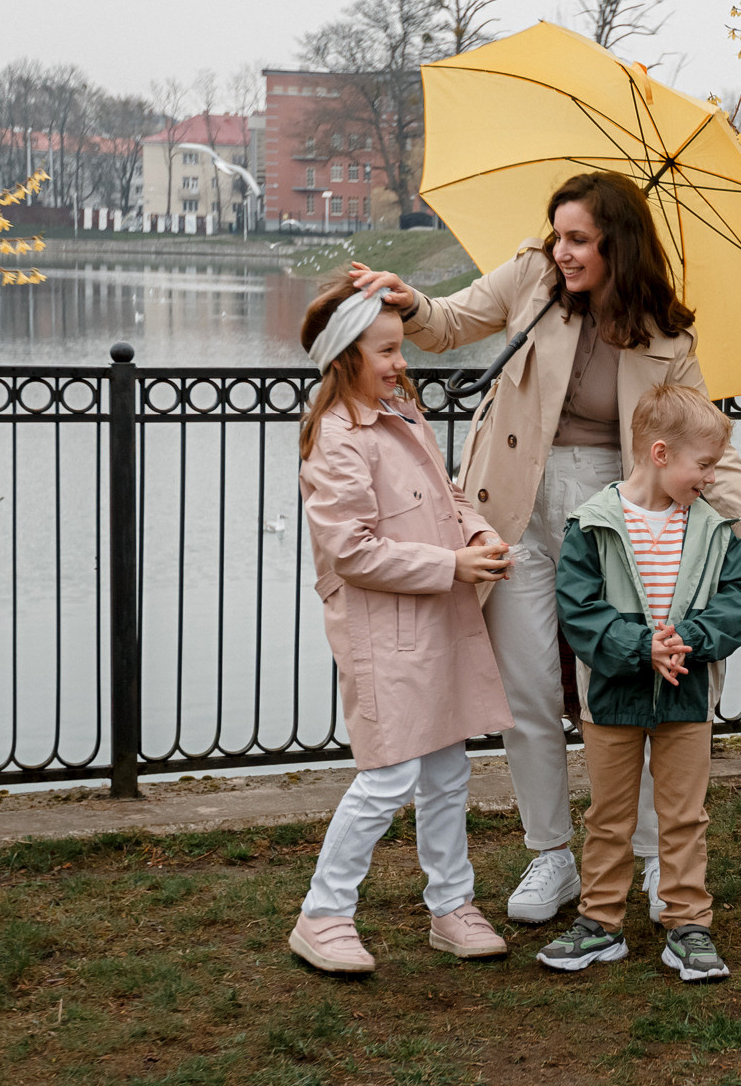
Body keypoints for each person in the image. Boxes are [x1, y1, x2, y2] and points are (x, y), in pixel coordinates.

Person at [349, 171, 741, 927]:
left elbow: (712, 455)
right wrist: (409, 303)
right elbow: (450, 321)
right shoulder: (533, 277)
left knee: (633, 686)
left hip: (619, 519)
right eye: (557, 234)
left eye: (578, 240)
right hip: (517, 509)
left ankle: (658, 859)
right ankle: (551, 854)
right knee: (527, 688)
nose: (560, 250)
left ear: (616, 246)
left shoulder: (667, 337)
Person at [286, 275, 517, 974]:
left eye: (401, 349)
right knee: (387, 777)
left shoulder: (402, 415)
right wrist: (450, 564)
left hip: (434, 620)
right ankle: (323, 914)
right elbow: (350, 552)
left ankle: (451, 906)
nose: (401, 363)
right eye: (386, 351)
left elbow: (444, 496)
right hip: (385, 633)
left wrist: (475, 535)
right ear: (345, 355)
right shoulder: (336, 438)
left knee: (447, 769)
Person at [535, 384, 741, 981]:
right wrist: (642, 647)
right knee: (609, 817)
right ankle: (600, 924)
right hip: (612, 695)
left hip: (687, 695)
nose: (711, 479)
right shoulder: (592, 524)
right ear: (661, 454)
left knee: (684, 816)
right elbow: (579, 610)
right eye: (705, 465)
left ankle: (688, 923)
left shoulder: (715, 528)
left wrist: (687, 639)